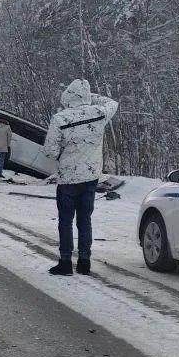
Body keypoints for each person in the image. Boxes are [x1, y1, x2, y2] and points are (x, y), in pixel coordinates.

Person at [41, 79, 119, 276]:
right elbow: (113, 103)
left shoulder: (60, 119)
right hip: (91, 177)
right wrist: (91, 97)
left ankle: (65, 262)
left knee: (65, 221)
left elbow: (49, 151)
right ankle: (85, 262)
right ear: (86, 96)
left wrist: (62, 155)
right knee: (85, 221)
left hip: (68, 178)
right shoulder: (98, 113)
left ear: (68, 96)